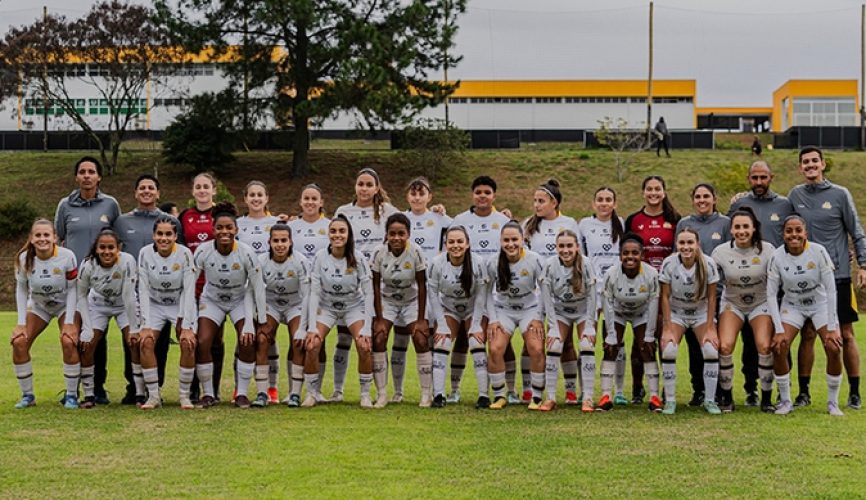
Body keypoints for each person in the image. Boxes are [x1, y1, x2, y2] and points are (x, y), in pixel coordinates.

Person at [787, 146, 866, 410]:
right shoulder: (795, 195)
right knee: (807, 334)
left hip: (838, 276)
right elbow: (784, 227)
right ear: (800, 167)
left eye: (814, 161)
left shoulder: (840, 194)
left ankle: (854, 392)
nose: (810, 165)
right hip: (807, 280)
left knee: (845, 334)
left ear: (823, 164)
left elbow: (857, 232)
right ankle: (804, 392)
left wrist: (863, 265)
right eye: (805, 162)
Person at [727, 160, 795, 405]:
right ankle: (751, 389)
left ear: (771, 177)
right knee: (749, 342)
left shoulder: (785, 204)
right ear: (748, 178)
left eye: (763, 178)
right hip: (747, 288)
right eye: (754, 178)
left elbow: (797, 233)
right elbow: (730, 238)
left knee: (779, 340)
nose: (758, 182)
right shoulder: (739, 204)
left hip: (779, 286)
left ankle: (783, 391)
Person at [54, 156, 120, 405]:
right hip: (76, 282)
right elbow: (59, 238)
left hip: (105, 281)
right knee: (76, 336)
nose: (87, 176)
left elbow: (116, 238)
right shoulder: (65, 205)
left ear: (99, 177)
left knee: (98, 338)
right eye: (82, 172)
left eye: (91, 171)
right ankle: (74, 389)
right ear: (76, 177)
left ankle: (98, 388)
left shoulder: (110, 205)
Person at [330, 168, 398, 403]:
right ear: (355, 186)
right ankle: (338, 390)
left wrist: (437, 210)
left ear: (377, 188)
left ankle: (380, 391)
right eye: (361, 184)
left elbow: (407, 223)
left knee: (372, 338)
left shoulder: (387, 211)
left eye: (369, 184)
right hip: (350, 282)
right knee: (343, 338)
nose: (364, 188)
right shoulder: (343, 211)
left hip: (379, 283)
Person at [114, 174, 183, 405]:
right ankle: (134, 388)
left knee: (160, 341)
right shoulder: (122, 221)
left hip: (162, 292)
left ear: (158, 193)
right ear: (135, 193)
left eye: (151, 188)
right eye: (142, 187)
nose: (146, 191)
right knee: (133, 339)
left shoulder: (168, 220)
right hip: (131, 290)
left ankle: (156, 386)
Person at [193, 202, 266, 408]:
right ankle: (208, 394)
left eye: (229, 228)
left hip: (239, 300)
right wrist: (188, 315)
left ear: (236, 229)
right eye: (220, 228)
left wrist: (258, 321)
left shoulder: (246, 253)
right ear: (213, 229)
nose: (224, 232)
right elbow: (189, 285)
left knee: (247, 340)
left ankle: (241, 394)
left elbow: (257, 287)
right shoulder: (203, 251)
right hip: (212, 299)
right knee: (203, 341)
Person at [768, 216, 844, 416]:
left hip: (820, 304)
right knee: (779, 346)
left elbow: (831, 290)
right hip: (792, 305)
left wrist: (831, 326)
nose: (794, 235)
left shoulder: (818, 252)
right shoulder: (777, 257)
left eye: (798, 230)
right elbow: (770, 294)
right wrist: (778, 329)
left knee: (833, 346)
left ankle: (832, 402)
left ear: (805, 233)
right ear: (783, 235)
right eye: (789, 231)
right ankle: (785, 400)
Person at [449, 176, 514, 404]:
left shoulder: (503, 219)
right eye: (478, 192)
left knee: (499, 340)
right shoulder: (460, 219)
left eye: (487, 192)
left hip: (497, 290)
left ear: (494, 196)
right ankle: (455, 389)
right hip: (468, 289)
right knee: (464, 339)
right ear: (472, 195)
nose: (482, 196)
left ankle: (510, 389)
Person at [301, 215, 375, 408]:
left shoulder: (358, 258)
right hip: (327, 307)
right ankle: (312, 393)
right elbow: (314, 293)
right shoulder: (319, 257)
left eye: (342, 231)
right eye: (333, 231)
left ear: (348, 234)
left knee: (364, 345)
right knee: (312, 345)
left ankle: (365, 394)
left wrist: (367, 327)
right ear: (328, 234)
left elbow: (369, 294)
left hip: (352, 306)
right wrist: (311, 327)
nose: (337, 235)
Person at [10, 220, 80, 409]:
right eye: (38, 235)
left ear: (55, 237)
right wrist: (21, 322)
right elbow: (22, 290)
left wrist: (70, 321)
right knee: (19, 342)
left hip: (65, 305)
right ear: (32, 239)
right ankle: (28, 396)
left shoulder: (67, 256)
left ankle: (72, 395)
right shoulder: (24, 258)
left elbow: (73, 289)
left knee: (68, 340)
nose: (43, 239)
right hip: (40, 306)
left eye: (46, 235)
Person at [712, 208, 776, 412]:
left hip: (760, 302)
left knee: (764, 346)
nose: (741, 231)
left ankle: (766, 398)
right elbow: (710, 282)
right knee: (725, 346)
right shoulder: (720, 252)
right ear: (731, 230)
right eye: (737, 227)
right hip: (733, 302)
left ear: (754, 228)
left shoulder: (768, 250)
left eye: (745, 226)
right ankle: (727, 398)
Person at [523, 179, 581, 404]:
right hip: (536, 293)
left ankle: (570, 389)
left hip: (562, 292)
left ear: (554, 202)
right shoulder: (528, 224)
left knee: (564, 342)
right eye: (534, 201)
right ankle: (531, 388)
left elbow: (578, 257)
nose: (536, 205)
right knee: (532, 340)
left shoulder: (568, 223)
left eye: (541, 201)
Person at [625, 175, 680, 404]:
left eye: (658, 189)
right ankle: (638, 389)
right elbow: (627, 253)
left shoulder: (675, 219)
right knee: (640, 342)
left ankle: (665, 390)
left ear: (664, 192)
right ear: (643, 192)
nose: (654, 193)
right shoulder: (633, 219)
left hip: (666, 289)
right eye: (649, 189)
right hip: (640, 288)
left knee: (662, 338)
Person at [675, 183, 729, 407]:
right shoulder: (684, 224)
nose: (702, 200)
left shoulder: (725, 223)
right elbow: (676, 258)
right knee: (694, 347)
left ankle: (718, 391)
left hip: (717, 294)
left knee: (714, 343)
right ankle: (698, 389)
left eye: (706, 196)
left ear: (714, 198)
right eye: (697, 196)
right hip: (689, 297)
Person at [658, 228, 721, 415]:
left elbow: (711, 298)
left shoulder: (708, 264)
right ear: (677, 245)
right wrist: (667, 327)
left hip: (701, 314)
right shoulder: (669, 263)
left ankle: (710, 400)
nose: (686, 247)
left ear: (697, 244)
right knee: (668, 349)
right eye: (682, 243)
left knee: (710, 349)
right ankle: (670, 401)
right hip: (677, 313)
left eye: (690, 243)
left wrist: (710, 327)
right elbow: (665, 296)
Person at [371, 213, 431, 407]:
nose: (396, 238)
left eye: (401, 233)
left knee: (421, 339)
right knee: (379, 337)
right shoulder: (379, 252)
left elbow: (422, 285)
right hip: (387, 301)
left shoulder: (416, 252)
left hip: (411, 300)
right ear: (387, 234)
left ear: (408, 234)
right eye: (392, 233)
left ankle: (425, 394)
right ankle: (382, 394)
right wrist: (379, 318)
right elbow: (375, 286)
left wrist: (421, 319)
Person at [137, 215, 197, 409]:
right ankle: (153, 396)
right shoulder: (145, 253)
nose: (164, 238)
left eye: (168, 234)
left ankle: (184, 396)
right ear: (154, 236)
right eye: (160, 234)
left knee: (188, 342)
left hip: (178, 303)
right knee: (145, 342)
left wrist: (186, 325)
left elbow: (189, 290)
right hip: (155, 304)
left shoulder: (185, 253)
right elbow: (143, 290)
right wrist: (145, 324)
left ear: (175, 236)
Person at [597, 234, 662, 413]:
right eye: (626, 253)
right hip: (617, 312)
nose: (630, 257)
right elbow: (607, 305)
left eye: (635, 253)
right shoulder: (611, 274)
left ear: (642, 255)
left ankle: (655, 396)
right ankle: (605, 396)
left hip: (641, 313)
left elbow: (654, 304)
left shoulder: (651, 274)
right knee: (610, 348)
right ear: (620, 255)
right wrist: (611, 334)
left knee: (647, 349)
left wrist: (649, 335)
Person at [76, 230, 141, 408]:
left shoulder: (127, 261)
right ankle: (89, 395)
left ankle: (140, 393)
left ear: (118, 248)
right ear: (96, 249)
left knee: (134, 342)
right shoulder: (87, 265)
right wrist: (87, 328)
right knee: (87, 344)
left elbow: (129, 296)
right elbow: (80, 295)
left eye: (111, 247)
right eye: (102, 247)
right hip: (98, 304)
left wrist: (134, 329)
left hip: (123, 305)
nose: (107, 251)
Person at [485, 222, 545, 410]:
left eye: (514, 240)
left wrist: (538, 317)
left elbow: (544, 291)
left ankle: (536, 396)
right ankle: (500, 395)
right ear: (501, 241)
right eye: (506, 240)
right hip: (504, 310)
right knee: (495, 348)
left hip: (529, 309)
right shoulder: (493, 262)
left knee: (535, 347)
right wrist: (493, 319)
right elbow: (486, 293)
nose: (510, 244)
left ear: (522, 240)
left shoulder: (534, 259)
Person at [427, 225, 489, 408]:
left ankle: (484, 396)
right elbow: (433, 295)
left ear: (468, 244)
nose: (456, 245)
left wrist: (476, 324)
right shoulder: (436, 263)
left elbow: (481, 296)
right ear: (445, 244)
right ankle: (438, 395)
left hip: (473, 309)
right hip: (449, 308)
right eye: (451, 242)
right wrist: (442, 324)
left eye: (460, 241)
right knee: (442, 341)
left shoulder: (478, 263)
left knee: (477, 342)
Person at [579, 186, 627, 404]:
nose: (604, 203)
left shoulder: (622, 224)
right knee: (588, 338)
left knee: (616, 340)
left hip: (616, 290)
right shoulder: (584, 225)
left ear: (615, 203)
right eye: (600, 199)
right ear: (593, 203)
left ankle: (618, 391)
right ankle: (585, 390)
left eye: (608, 200)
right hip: (592, 291)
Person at [539, 230, 596, 412]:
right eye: (561, 246)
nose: (565, 250)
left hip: (582, 312)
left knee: (587, 344)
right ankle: (551, 397)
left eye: (569, 246)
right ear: (556, 247)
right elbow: (547, 299)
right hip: (561, 312)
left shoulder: (586, 264)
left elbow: (593, 297)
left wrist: (589, 325)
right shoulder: (549, 265)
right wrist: (553, 327)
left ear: (577, 247)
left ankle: (587, 398)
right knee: (554, 345)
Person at [178, 172, 224, 402]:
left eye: (206, 186)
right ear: (193, 191)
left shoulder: (221, 214)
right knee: (194, 337)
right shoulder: (186, 216)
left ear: (214, 190)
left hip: (217, 286)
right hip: (192, 286)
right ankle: (194, 388)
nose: (202, 190)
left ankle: (213, 389)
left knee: (214, 339)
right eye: (198, 187)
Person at [236, 180, 282, 403]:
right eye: (251, 195)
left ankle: (271, 388)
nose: (255, 198)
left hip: (269, 289)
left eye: (259, 195)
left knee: (268, 337)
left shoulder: (277, 222)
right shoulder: (237, 224)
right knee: (244, 337)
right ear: (245, 198)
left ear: (267, 198)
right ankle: (240, 387)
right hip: (243, 289)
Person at [256, 224, 310, 407]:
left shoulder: (300, 261)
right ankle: (262, 393)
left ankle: (294, 394)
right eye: (276, 241)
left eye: (284, 240)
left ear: (291, 242)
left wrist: (303, 327)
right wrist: (261, 318)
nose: (280, 245)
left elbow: (307, 294)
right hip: (271, 304)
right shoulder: (261, 261)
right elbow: (255, 292)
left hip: (294, 304)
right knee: (262, 339)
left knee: (298, 340)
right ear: (269, 242)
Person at [287, 184, 330, 399]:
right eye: (307, 198)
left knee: (317, 342)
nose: (310, 202)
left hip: (323, 292)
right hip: (296, 292)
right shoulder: (291, 227)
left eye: (315, 198)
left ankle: (316, 389)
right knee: (295, 339)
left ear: (321, 202)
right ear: (301, 201)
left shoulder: (330, 226)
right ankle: (292, 390)